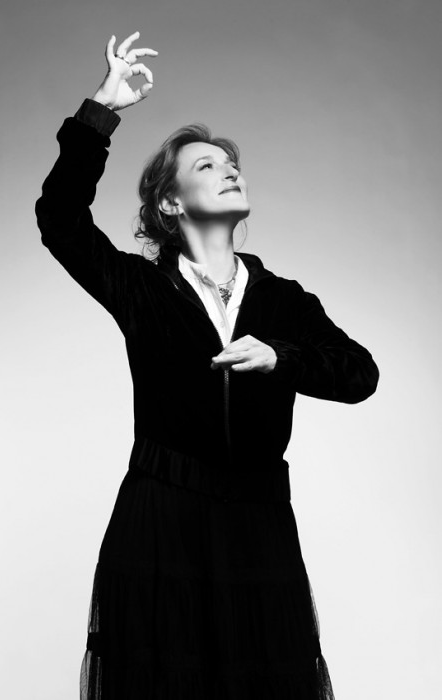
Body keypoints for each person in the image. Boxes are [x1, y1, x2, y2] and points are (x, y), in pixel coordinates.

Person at [35, 30, 379, 700]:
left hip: (257, 524)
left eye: (231, 164)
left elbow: (359, 374)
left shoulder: (284, 300)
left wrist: (282, 357)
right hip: (159, 521)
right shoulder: (141, 289)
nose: (228, 170)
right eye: (205, 165)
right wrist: (101, 111)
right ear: (169, 203)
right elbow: (60, 220)